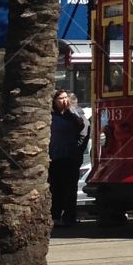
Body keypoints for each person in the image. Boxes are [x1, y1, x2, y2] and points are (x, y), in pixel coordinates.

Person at [49, 89, 87, 227]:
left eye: (66, 98)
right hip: (56, 156)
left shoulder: (72, 114)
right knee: (56, 188)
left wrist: (70, 110)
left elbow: (82, 126)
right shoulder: (51, 116)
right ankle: (56, 215)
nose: (64, 101)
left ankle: (69, 216)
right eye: (60, 99)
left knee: (70, 188)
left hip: (70, 156)